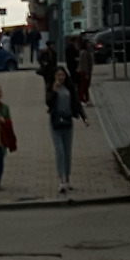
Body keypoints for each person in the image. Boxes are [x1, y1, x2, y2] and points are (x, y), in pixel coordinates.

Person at [45, 62, 86, 197]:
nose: (60, 77)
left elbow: (76, 103)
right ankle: (61, 179)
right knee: (60, 150)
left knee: (67, 151)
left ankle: (67, 178)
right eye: (58, 75)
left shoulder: (69, 88)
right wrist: (54, 91)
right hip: (56, 123)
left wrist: (84, 117)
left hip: (68, 122)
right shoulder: (51, 87)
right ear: (54, 76)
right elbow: (48, 103)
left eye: (62, 75)